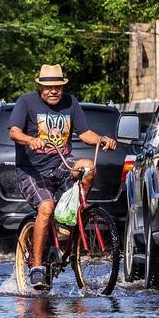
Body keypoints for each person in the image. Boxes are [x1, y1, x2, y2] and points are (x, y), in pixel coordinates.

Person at [9, 63, 116, 290]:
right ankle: (37, 267)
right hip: (32, 171)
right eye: (48, 87)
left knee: (88, 167)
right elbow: (14, 132)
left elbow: (85, 133)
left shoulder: (71, 103)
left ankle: (67, 224)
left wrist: (102, 139)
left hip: (61, 164)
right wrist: (31, 140)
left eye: (58, 86)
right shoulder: (26, 102)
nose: (53, 91)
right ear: (39, 87)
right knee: (46, 208)